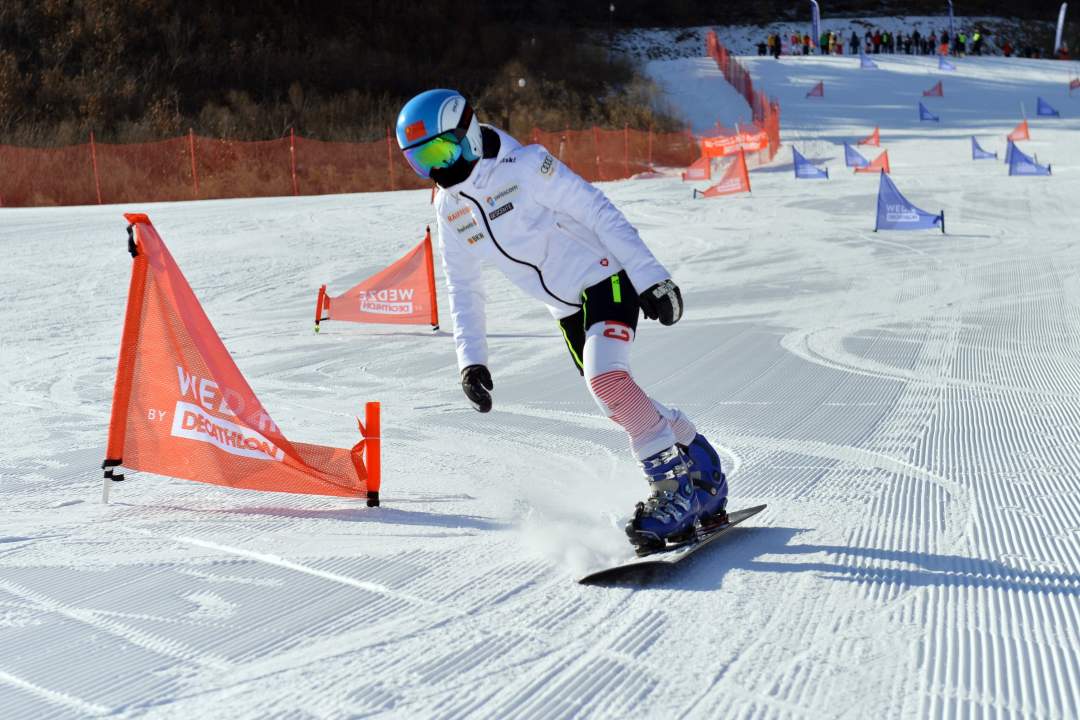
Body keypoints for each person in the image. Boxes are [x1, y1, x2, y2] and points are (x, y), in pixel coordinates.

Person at [394, 89, 729, 551]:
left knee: (607, 378)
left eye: (439, 151)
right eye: (420, 160)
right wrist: (471, 360)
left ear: (465, 133)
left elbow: (598, 210)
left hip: (605, 277)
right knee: (618, 401)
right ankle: (699, 460)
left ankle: (674, 491)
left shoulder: (527, 166)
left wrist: (651, 278)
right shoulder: (449, 207)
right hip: (566, 308)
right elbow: (463, 286)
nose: (435, 168)